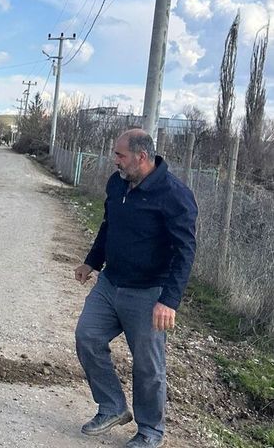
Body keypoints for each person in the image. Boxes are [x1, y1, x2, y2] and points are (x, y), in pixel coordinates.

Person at [73, 129, 198, 448]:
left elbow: (185, 250)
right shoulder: (117, 183)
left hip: (148, 293)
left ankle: (150, 430)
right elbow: (108, 225)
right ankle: (113, 406)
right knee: (87, 336)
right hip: (111, 283)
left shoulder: (174, 195)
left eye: (120, 155)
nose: (115, 160)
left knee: (147, 364)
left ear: (141, 157)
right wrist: (92, 262)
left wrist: (168, 301)